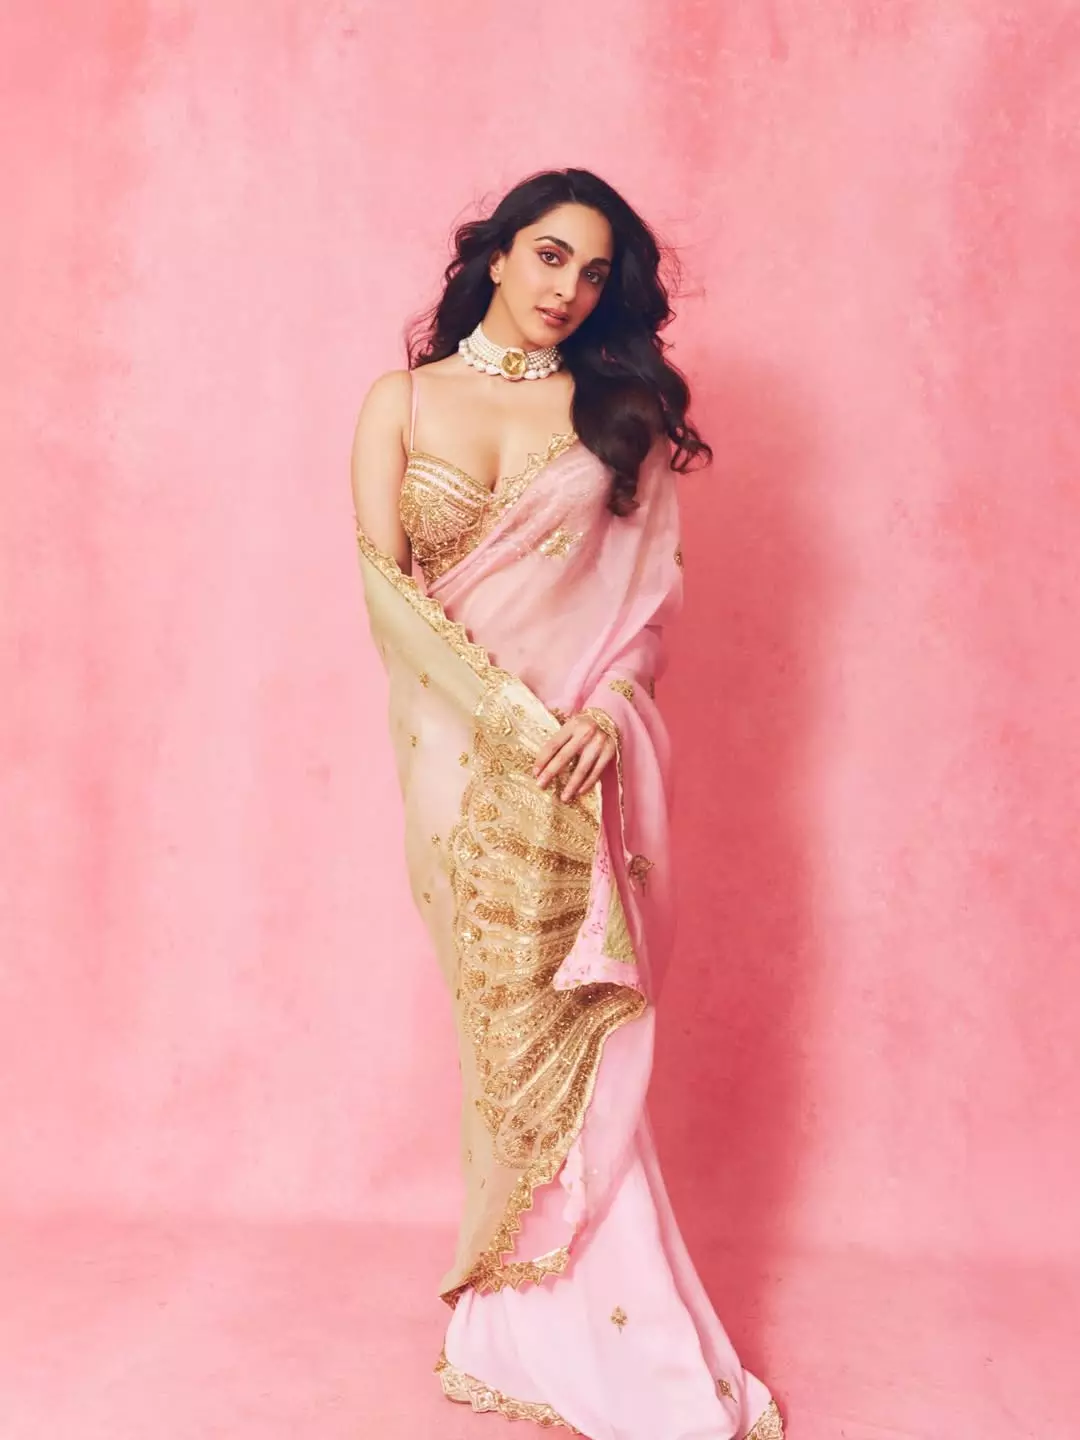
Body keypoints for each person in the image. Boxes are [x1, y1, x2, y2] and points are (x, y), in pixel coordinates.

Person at [350, 167, 783, 1440]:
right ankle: (511, 1313)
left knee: (577, 1027)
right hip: (458, 764)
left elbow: (649, 606)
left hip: (577, 767)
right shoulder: (400, 402)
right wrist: (503, 713)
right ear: (495, 255)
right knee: (501, 1037)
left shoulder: (616, 416)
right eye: (549, 256)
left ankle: (609, 1335)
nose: (568, 290)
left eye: (593, 274)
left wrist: (605, 711)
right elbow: (385, 588)